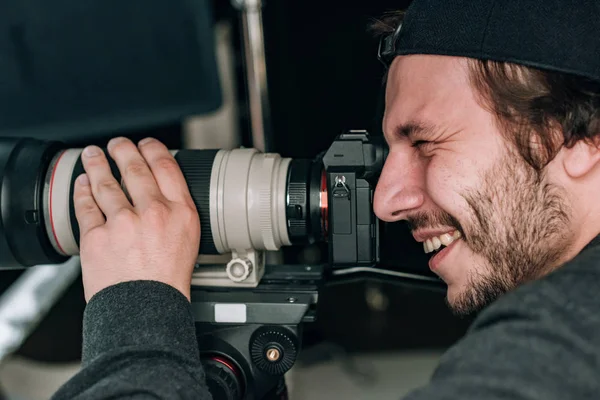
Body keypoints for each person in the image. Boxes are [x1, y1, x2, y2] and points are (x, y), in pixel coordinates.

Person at [52, 0, 600, 399]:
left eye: (426, 144)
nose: (385, 200)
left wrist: (136, 312)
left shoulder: (562, 344)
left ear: (577, 139)